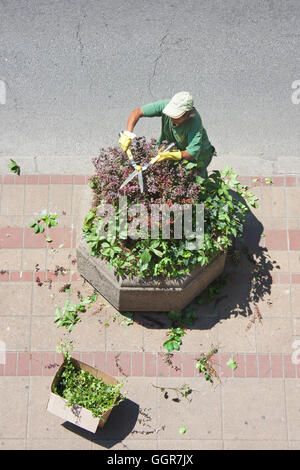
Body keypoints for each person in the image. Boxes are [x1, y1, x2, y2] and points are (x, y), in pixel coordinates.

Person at [119, 91, 216, 179]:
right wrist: (128, 133)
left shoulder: (195, 122)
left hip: (199, 156)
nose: (171, 119)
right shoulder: (165, 105)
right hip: (172, 148)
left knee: (197, 182)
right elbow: (136, 113)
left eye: (176, 117)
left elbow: (191, 153)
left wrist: (173, 155)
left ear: (187, 114)